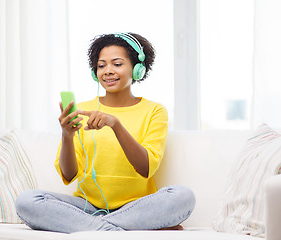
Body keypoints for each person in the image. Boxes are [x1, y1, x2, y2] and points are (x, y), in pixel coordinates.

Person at [15, 32, 195, 233]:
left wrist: (116, 125)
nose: (108, 71)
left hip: (135, 207)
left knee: (183, 196)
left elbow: (146, 167)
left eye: (117, 64)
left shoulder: (154, 111)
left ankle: (95, 229)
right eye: (101, 65)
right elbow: (69, 174)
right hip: (86, 209)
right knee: (27, 201)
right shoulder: (81, 109)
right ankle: (117, 230)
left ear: (137, 69)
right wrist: (67, 135)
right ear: (95, 72)